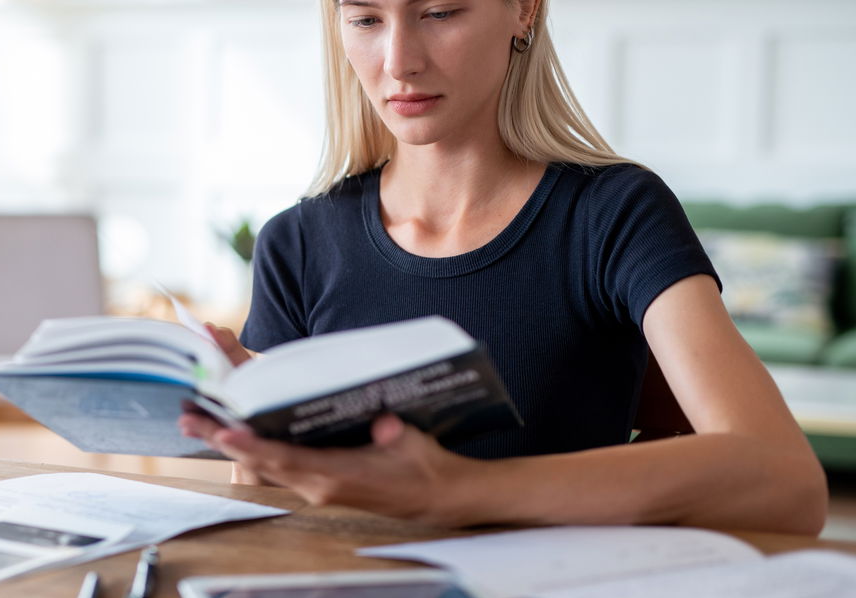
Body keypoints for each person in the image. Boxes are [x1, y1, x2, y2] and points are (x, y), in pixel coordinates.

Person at [179, 0, 827, 535]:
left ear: (524, 11)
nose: (399, 61)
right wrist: (251, 436)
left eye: (439, 12)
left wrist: (458, 491)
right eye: (365, 19)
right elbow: (273, 522)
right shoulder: (296, 240)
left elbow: (789, 482)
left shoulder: (615, 213)